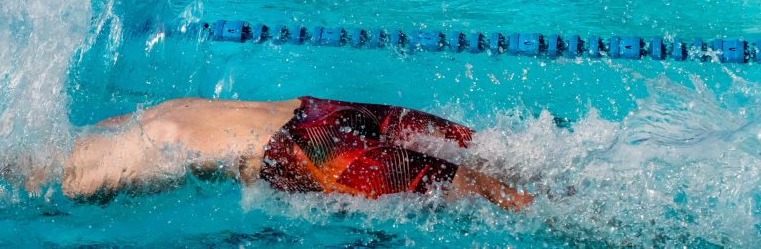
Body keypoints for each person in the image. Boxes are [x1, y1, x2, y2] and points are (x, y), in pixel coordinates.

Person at [58, 96, 532, 211]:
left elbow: (72, 184)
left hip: (307, 152)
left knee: (495, 198)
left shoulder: (119, 157)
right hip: (318, 110)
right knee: (494, 157)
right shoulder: (162, 110)